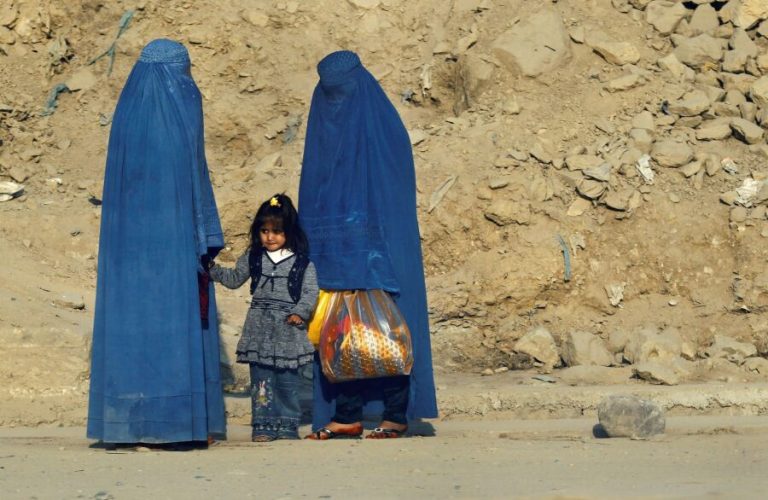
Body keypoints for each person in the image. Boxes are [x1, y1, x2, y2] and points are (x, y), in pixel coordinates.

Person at [87, 39, 226, 447]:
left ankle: (126, 425)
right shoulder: (179, 115)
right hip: (174, 247)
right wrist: (206, 235)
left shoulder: (128, 116)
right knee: (174, 321)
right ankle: (177, 424)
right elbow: (195, 182)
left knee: (132, 326)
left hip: (126, 253)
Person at [299, 50, 438, 440]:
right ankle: (346, 414)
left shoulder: (384, 130)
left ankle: (394, 414)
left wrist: (370, 243)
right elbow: (315, 190)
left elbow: (391, 194)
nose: (336, 100)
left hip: (381, 250)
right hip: (337, 247)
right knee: (342, 333)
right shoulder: (323, 126)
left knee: (387, 330)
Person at [208, 193, 318, 442]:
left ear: (289, 232)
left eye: (277, 231)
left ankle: (288, 425)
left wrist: (299, 313)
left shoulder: (303, 264)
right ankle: (263, 426)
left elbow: (310, 292)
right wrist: (212, 269)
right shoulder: (253, 257)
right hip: (259, 330)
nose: (270, 237)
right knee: (261, 381)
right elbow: (234, 279)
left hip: (288, 330)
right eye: (264, 231)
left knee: (287, 381)